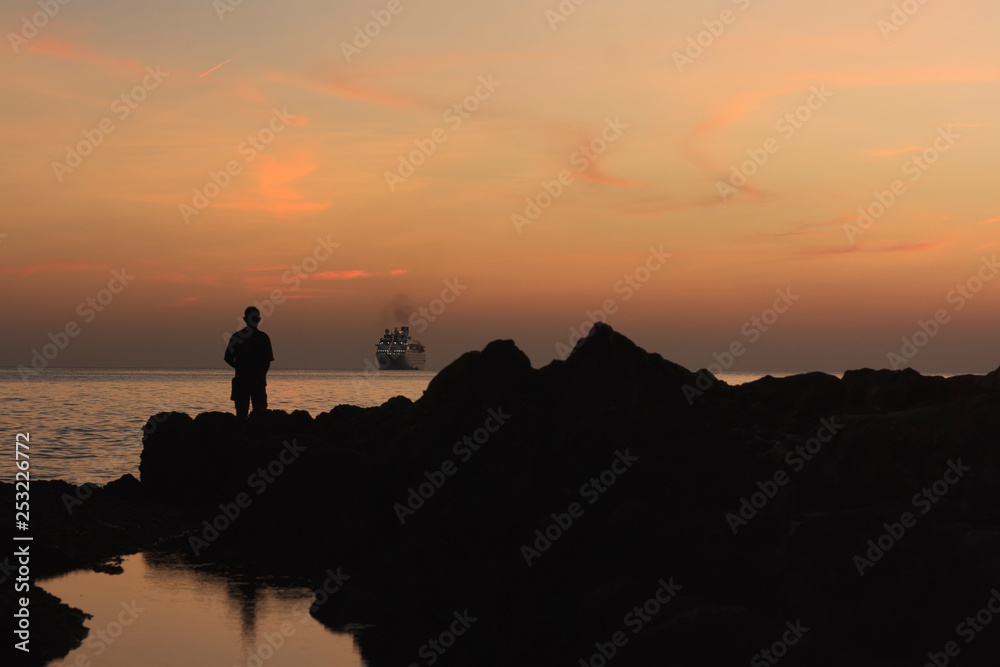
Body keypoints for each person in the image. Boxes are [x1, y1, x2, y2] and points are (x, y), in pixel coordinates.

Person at [224, 306, 274, 419]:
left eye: (256, 318)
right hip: (245, 381)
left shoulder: (263, 338)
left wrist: (260, 374)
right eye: (253, 318)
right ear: (245, 319)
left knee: (259, 414)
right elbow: (227, 357)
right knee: (243, 414)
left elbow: (267, 361)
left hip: (255, 381)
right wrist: (241, 368)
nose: (255, 321)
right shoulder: (237, 337)